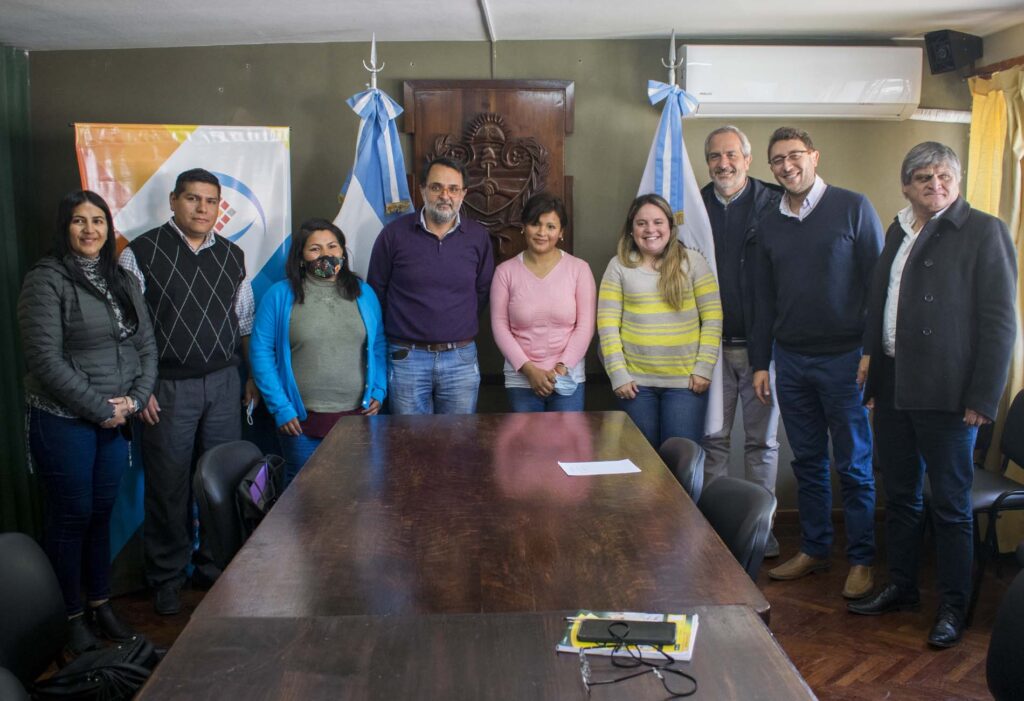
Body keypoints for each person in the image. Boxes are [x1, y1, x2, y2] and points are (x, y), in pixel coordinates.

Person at [848, 142, 1016, 648]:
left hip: (949, 394)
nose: (935, 185)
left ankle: (953, 606)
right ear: (906, 186)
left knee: (950, 505)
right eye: (924, 177)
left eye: (945, 176)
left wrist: (983, 399)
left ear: (958, 180)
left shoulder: (985, 231)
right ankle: (902, 585)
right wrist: (875, 380)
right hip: (896, 385)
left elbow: (1000, 323)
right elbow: (879, 308)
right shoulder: (898, 228)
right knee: (899, 496)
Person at [18, 190, 157, 657]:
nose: (90, 230)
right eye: (79, 221)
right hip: (65, 422)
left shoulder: (123, 278)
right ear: (65, 227)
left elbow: (146, 347)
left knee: (101, 514)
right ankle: (69, 616)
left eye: (98, 220)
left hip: (117, 419)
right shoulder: (46, 280)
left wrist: (134, 401)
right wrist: (101, 408)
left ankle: (101, 604)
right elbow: (45, 359)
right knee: (71, 516)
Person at [119, 168, 260, 616]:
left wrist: (252, 376)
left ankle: (212, 565)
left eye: (211, 201)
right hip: (167, 387)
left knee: (220, 482)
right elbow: (126, 330)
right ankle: (166, 576)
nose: (203, 209)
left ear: (220, 208)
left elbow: (244, 323)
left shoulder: (233, 255)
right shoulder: (140, 254)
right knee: (169, 486)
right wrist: (140, 389)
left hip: (223, 382)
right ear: (174, 202)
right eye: (193, 199)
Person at [750, 127, 883, 601]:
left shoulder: (853, 206)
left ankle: (862, 560)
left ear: (814, 156)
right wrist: (761, 361)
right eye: (777, 160)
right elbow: (763, 300)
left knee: (853, 464)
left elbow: (878, 285)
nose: (787, 166)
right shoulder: (769, 223)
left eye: (794, 156)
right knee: (806, 461)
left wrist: (871, 352)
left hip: (848, 360)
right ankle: (814, 549)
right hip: (791, 359)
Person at [250, 219, 386, 486]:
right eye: (315, 249)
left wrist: (379, 390)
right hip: (300, 423)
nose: (326, 254)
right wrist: (281, 408)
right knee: (303, 498)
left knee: (355, 494)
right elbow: (261, 352)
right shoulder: (279, 295)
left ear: (343, 253)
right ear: (301, 256)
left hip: (356, 419)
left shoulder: (364, 293)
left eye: (333, 246)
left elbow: (379, 344)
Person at [699, 125, 783, 557]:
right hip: (710, 348)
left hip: (760, 351)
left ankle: (759, 531)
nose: (723, 164)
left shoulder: (773, 204)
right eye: (715, 156)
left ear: (748, 160)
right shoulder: (694, 207)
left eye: (732, 155)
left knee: (761, 444)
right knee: (712, 440)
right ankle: (716, 531)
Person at [367, 156, 495, 415]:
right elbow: (376, 292)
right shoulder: (393, 236)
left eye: (453, 189)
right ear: (423, 190)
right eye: (436, 187)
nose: (445, 195)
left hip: (460, 357)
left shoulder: (478, 237)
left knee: (458, 444)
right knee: (409, 445)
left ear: (463, 194)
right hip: (407, 359)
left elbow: (482, 291)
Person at [598, 193, 722, 449]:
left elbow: (712, 317)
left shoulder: (693, 262)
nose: (650, 229)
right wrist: (618, 374)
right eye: (641, 223)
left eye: (657, 222)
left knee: (681, 466)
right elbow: (607, 325)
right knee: (642, 466)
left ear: (669, 227)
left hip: (685, 385)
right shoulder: (618, 266)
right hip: (635, 386)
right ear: (631, 229)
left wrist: (704, 368)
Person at [490, 193, 595, 412]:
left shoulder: (580, 270)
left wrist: (560, 369)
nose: (542, 233)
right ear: (523, 227)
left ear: (561, 232)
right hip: (521, 380)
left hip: (568, 378)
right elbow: (500, 327)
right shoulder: (504, 273)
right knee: (527, 446)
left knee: (567, 446)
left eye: (550, 226)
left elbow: (585, 327)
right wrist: (530, 371)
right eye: (535, 224)